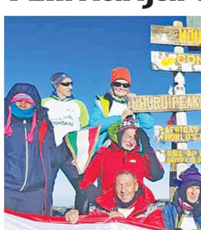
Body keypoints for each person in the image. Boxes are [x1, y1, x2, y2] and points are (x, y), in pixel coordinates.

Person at [4, 83, 71, 215]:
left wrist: (68, 147)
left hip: (34, 195)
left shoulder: (43, 125)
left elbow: (51, 158)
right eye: (19, 100)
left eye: (27, 101)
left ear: (35, 104)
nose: (23, 104)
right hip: (6, 191)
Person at [42, 72, 97, 212]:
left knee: (83, 187)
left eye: (71, 83)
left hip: (70, 153)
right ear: (56, 86)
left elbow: (85, 131)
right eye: (66, 84)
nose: (70, 87)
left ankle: (81, 219)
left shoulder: (79, 105)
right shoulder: (44, 103)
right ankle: (45, 219)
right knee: (45, 190)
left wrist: (82, 154)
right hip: (49, 152)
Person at [79, 117, 163, 203]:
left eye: (135, 138)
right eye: (128, 137)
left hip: (137, 207)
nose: (131, 141)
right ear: (120, 136)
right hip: (110, 207)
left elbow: (156, 175)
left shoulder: (140, 157)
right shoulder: (104, 154)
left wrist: (147, 146)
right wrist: (99, 200)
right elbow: (86, 181)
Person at [65, 170, 162, 227]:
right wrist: (73, 216)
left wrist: (124, 224)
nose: (123, 190)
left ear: (136, 186)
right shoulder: (102, 209)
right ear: (114, 187)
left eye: (128, 185)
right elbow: (85, 229)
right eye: (119, 185)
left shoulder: (150, 211)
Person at [89, 67, 153, 150]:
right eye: (117, 84)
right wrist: (120, 117)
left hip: (131, 151)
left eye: (125, 85)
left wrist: (137, 103)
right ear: (112, 85)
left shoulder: (132, 103)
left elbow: (147, 124)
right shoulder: (102, 102)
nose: (121, 88)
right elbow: (94, 126)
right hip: (107, 151)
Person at [162, 165, 201, 230]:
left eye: (197, 188)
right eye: (190, 187)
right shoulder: (170, 210)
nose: (194, 192)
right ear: (184, 190)